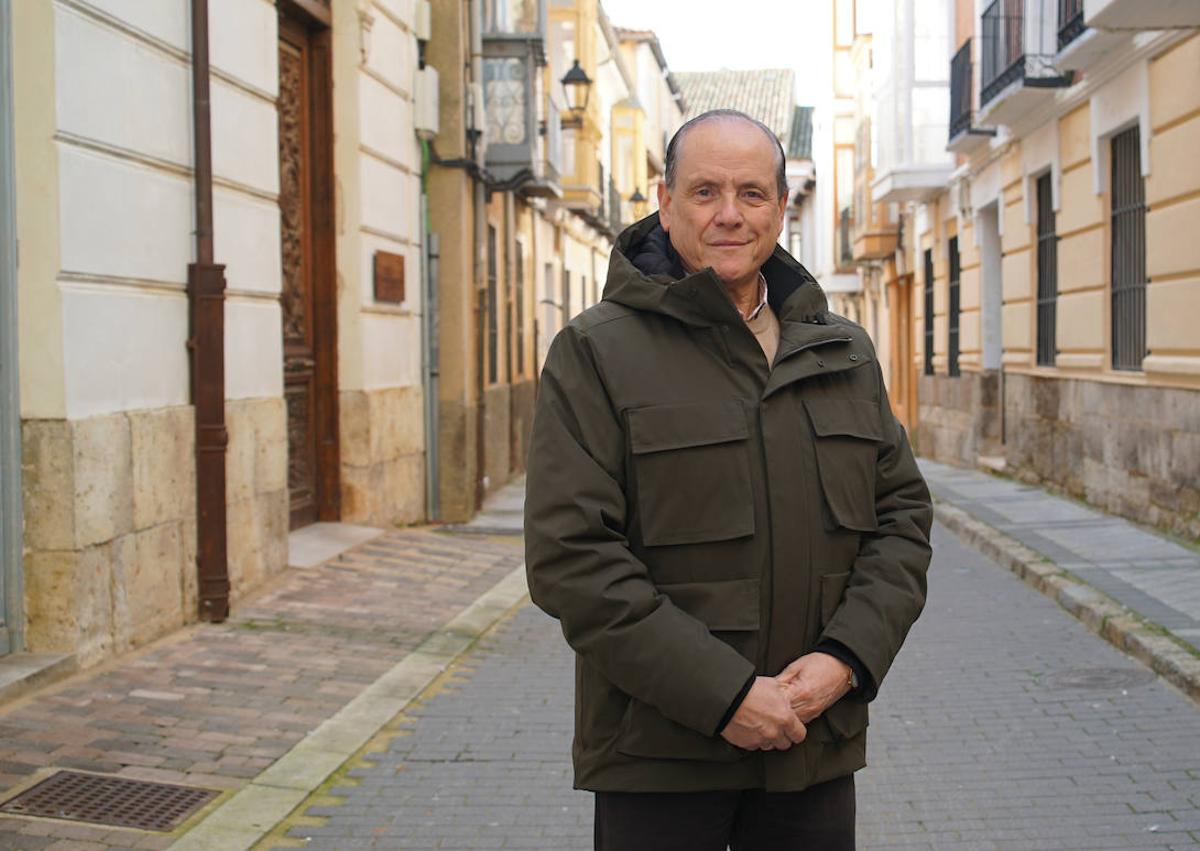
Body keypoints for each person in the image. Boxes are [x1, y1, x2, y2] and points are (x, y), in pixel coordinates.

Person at [524, 109, 933, 851]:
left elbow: (902, 520)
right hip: (660, 759)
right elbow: (571, 559)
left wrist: (846, 660)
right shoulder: (595, 353)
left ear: (780, 205)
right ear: (665, 199)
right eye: (705, 190)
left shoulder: (841, 350)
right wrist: (726, 696)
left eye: (751, 193)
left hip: (810, 747)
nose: (729, 214)